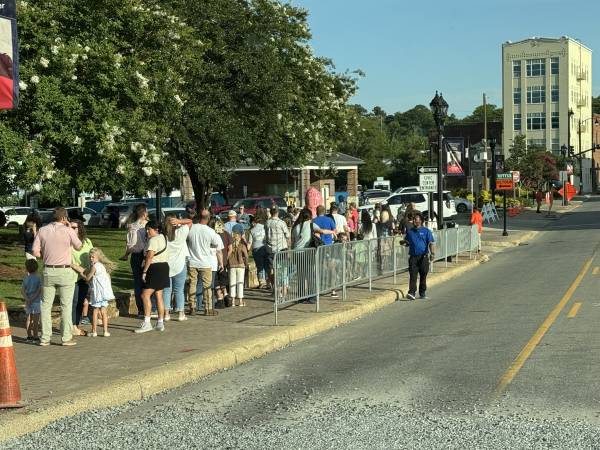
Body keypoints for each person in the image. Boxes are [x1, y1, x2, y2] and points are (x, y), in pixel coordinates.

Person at [32, 207, 83, 347]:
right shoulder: (68, 230)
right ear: (64, 217)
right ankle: (66, 338)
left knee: (45, 305)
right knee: (66, 306)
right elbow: (79, 246)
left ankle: (45, 338)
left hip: (49, 270)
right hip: (65, 271)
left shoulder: (42, 230)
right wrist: (70, 229)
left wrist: (45, 257)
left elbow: (35, 252)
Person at [187, 210, 224, 316]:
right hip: (205, 262)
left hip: (192, 261)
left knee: (192, 284)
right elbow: (217, 245)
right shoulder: (210, 231)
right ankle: (208, 308)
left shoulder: (191, 228)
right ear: (208, 218)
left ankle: (192, 307)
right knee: (207, 286)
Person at [135, 221, 170, 333]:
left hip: (155, 268)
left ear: (156, 229)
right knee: (159, 295)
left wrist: (144, 271)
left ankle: (147, 322)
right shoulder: (163, 237)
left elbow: (149, 257)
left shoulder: (153, 240)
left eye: (149, 229)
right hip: (164, 267)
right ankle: (160, 322)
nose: (147, 231)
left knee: (145, 295)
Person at [72, 248, 115, 337]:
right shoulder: (102, 266)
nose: (91, 258)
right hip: (104, 294)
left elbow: (88, 278)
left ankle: (94, 331)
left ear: (98, 257)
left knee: (95, 311)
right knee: (104, 312)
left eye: (93, 257)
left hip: (97, 293)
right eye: (90, 257)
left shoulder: (94, 267)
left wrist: (82, 275)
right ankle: (105, 331)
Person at [120, 204, 148, 316]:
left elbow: (129, 244)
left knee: (137, 283)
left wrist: (126, 254)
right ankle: (149, 308)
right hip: (145, 255)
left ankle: (140, 309)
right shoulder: (146, 226)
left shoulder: (131, 226)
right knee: (147, 282)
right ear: (144, 213)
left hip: (134, 256)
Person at [163, 214, 191, 322]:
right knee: (179, 290)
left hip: (166, 265)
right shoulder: (181, 232)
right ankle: (181, 313)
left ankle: (166, 314)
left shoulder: (163, 235)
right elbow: (190, 222)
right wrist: (180, 221)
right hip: (179, 264)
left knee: (166, 291)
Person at [401, 213, 435, 301]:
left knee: (423, 275)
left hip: (423, 257)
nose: (415, 221)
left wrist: (432, 253)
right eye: (414, 219)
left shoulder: (426, 231)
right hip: (413, 257)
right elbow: (407, 243)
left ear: (421, 220)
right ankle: (411, 292)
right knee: (413, 275)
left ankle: (422, 291)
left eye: (417, 219)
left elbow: (431, 243)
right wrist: (403, 243)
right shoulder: (410, 232)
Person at [70, 219, 94, 337]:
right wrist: (82, 271)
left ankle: (76, 325)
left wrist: (91, 272)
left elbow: (93, 256)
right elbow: (69, 262)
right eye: (70, 227)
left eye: (74, 227)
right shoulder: (68, 243)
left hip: (86, 277)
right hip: (74, 276)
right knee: (73, 302)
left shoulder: (87, 241)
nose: (71, 229)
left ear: (80, 229)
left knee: (80, 302)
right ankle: (72, 326)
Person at [264, 207, 290, 289]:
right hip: (281, 248)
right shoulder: (281, 223)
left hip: (270, 249)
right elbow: (288, 235)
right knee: (283, 270)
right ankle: (284, 288)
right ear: (278, 212)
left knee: (272, 270)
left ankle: (275, 287)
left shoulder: (267, 223)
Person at [21, 259, 42, 343]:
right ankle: (36, 336)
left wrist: (27, 299)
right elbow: (39, 290)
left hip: (28, 301)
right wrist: (33, 298)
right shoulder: (38, 278)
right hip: (36, 301)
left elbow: (22, 290)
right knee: (36, 320)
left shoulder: (26, 278)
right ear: (37, 267)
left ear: (27, 268)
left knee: (29, 319)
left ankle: (29, 336)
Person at [227, 230, 249, 307]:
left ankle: (232, 301)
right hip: (241, 265)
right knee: (240, 283)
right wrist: (246, 264)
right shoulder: (242, 246)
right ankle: (240, 301)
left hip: (232, 266)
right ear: (239, 238)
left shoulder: (230, 246)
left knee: (232, 283)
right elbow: (246, 256)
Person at [248, 216, 268, 289]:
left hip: (256, 249)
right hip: (265, 247)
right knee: (266, 265)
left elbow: (250, 242)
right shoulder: (264, 227)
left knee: (260, 266)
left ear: (253, 222)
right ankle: (268, 281)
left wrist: (246, 250)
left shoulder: (252, 230)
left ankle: (262, 282)